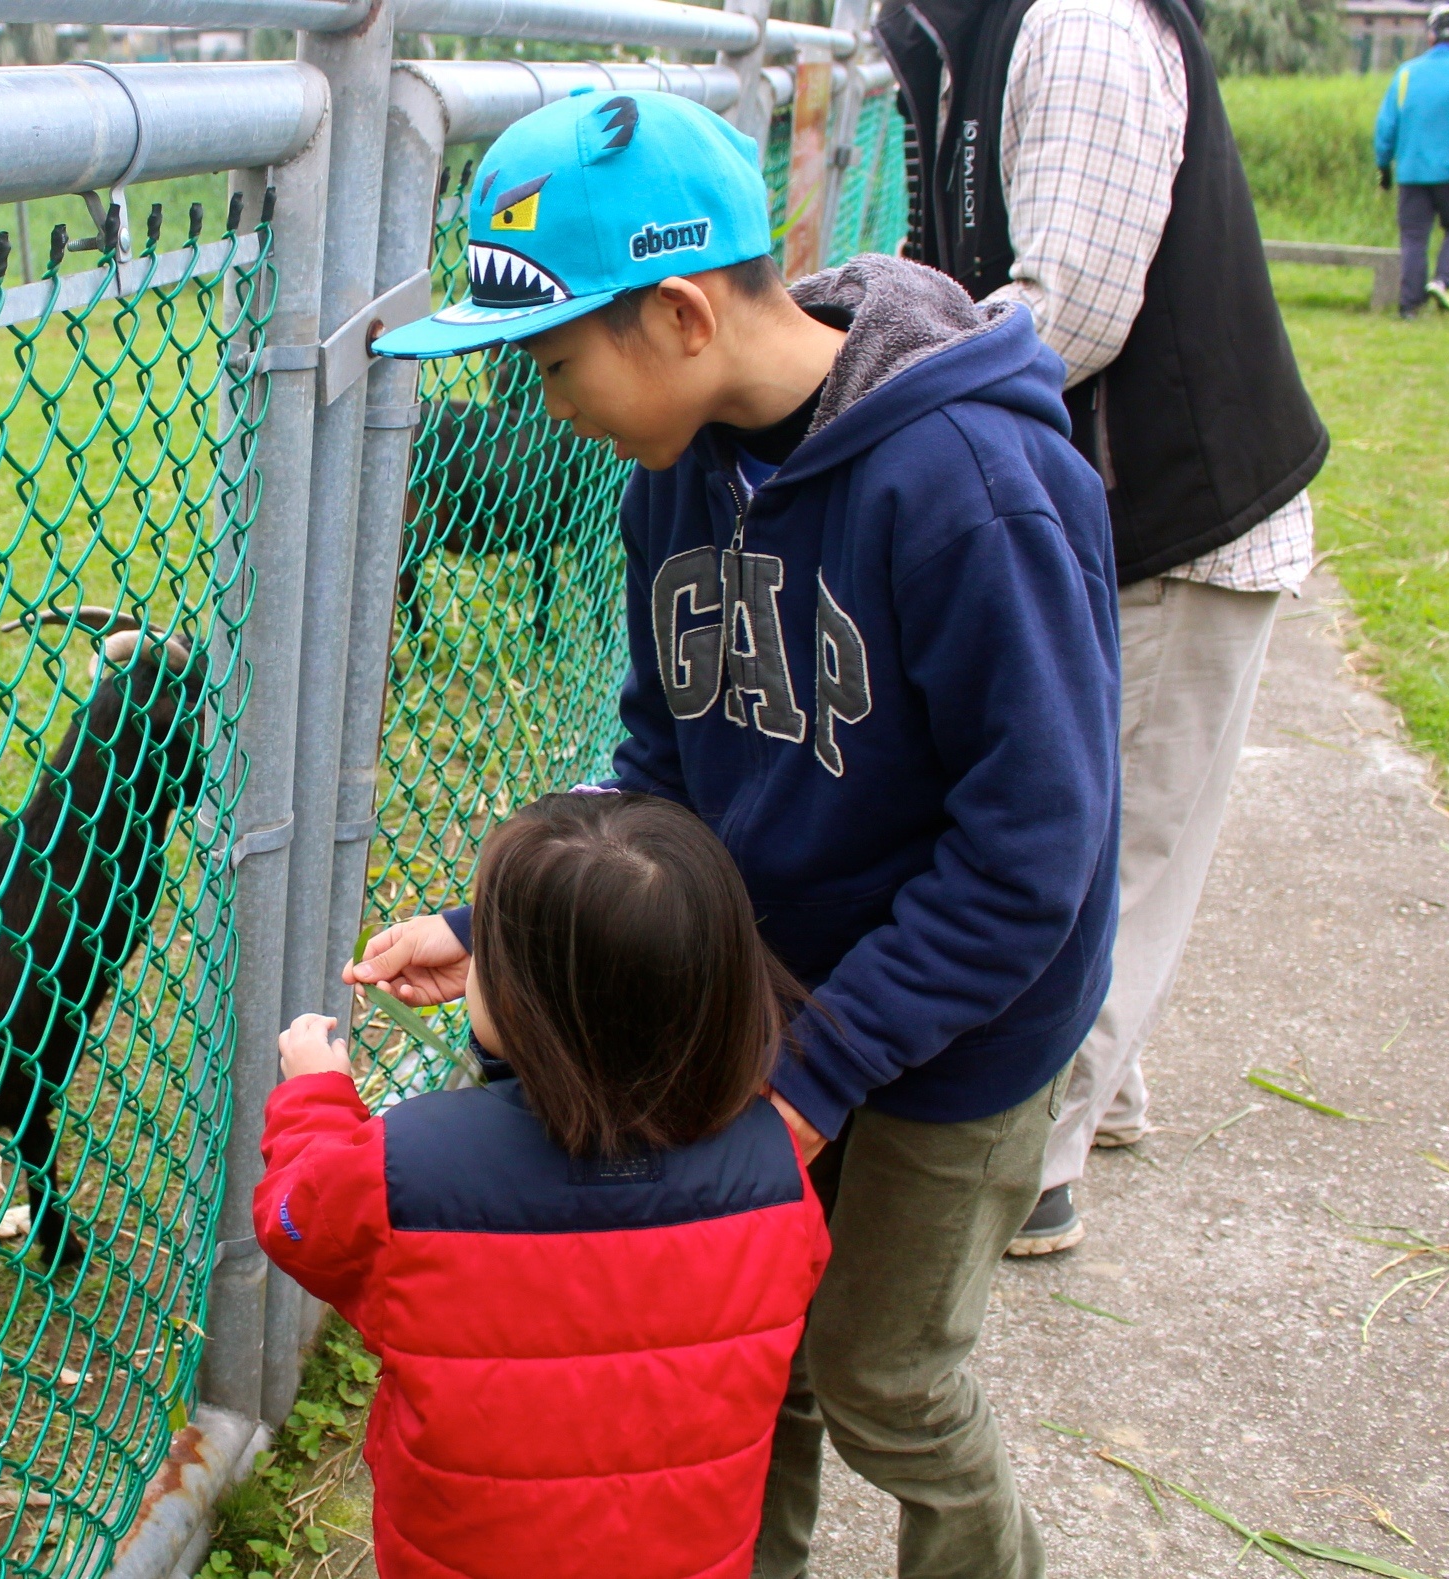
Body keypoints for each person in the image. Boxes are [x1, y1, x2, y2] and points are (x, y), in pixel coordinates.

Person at [362, 88, 1118, 1578]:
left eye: (552, 359)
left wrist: (820, 1076)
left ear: (683, 317)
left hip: (959, 1033)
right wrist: (495, 925)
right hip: (768, 997)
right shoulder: (676, 479)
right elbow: (664, 750)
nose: (540, 401)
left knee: (878, 1376)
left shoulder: (968, 488)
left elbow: (1029, 852)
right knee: (749, 1346)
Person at [876, 0, 1330, 1257]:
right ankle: (1099, 1089)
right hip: (1079, 511)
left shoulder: (1072, 24)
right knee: (1088, 832)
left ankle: (1033, 1168)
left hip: (1173, 524)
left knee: (1092, 858)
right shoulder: (942, 31)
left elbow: (1064, 312)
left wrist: (862, 386)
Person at [255, 792, 828, 1579]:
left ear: (523, 999)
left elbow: (295, 1221)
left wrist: (314, 1097)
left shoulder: (410, 1166)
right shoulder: (772, 1165)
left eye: (482, 947)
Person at [1375, 3, 1449, 317]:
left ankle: (1408, 306)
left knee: (1414, 238)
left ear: (1430, 36)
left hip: (1411, 170)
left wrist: (1384, 165)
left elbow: (1387, 124)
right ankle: (1443, 281)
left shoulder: (1406, 73)